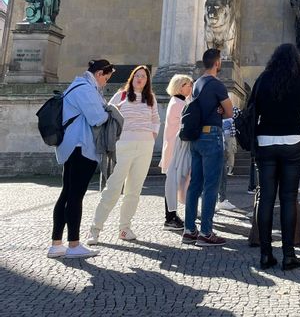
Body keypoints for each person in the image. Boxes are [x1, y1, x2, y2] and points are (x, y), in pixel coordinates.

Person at [253, 43, 300, 270]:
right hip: (293, 142)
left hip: (266, 142)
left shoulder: (263, 79)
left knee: (266, 198)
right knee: (289, 198)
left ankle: (265, 254)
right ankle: (289, 255)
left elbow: (253, 107)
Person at [48, 59, 114, 259]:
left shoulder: (77, 86)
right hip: (81, 147)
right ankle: (74, 244)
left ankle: (56, 244)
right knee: (75, 196)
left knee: (67, 194)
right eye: (106, 79)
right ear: (100, 73)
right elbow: (98, 118)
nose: (105, 83)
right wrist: (108, 111)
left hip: (71, 147)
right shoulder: (85, 89)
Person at [87, 65, 159, 244]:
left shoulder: (151, 99)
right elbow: (107, 114)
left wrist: (152, 135)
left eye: (143, 76)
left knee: (134, 190)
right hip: (123, 145)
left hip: (145, 146)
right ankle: (95, 229)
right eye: (137, 76)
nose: (140, 79)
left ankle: (125, 228)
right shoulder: (121, 95)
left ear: (147, 81)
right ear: (132, 78)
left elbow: (156, 119)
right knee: (112, 188)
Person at [182, 48, 233, 246]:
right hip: (212, 135)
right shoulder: (217, 85)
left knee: (195, 183)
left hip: (196, 137)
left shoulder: (197, 84)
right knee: (211, 185)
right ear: (218, 63)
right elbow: (228, 112)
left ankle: (189, 230)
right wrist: (220, 110)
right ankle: (206, 232)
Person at [160, 74, 193, 230]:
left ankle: (173, 216)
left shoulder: (179, 101)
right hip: (176, 149)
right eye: (189, 85)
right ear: (181, 86)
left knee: (175, 183)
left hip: (176, 148)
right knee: (172, 184)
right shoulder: (179, 104)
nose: (191, 88)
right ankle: (170, 218)